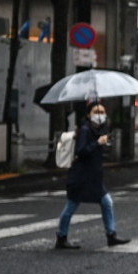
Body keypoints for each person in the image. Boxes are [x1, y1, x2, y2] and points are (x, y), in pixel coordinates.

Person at [55, 100, 128, 249]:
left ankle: (111, 235)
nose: (100, 115)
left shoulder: (98, 130)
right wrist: (98, 143)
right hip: (81, 176)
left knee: (106, 202)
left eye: (102, 112)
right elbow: (81, 151)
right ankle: (61, 237)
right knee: (71, 206)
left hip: (93, 177)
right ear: (89, 115)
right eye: (96, 112)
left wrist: (104, 142)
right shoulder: (85, 130)